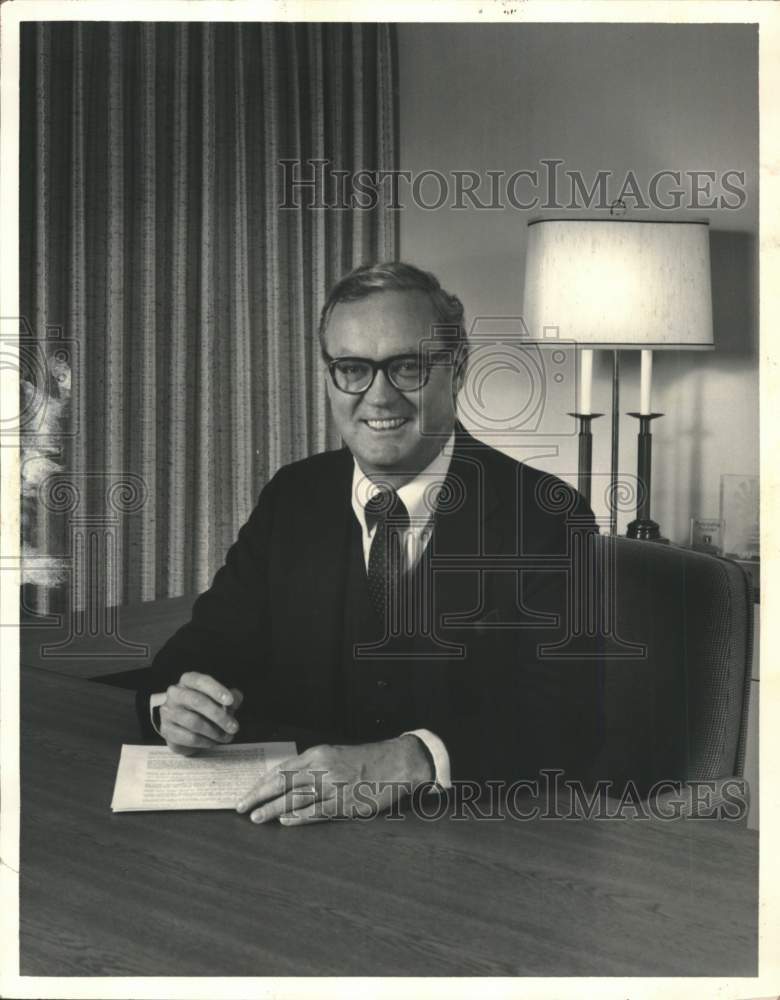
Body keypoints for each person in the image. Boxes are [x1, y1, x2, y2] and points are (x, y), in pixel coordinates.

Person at [136, 261, 603, 825]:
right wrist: (174, 709)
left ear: (456, 370)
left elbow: (569, 717)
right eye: (353, 368)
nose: (378, 397)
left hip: (468, 844)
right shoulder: (293, 495)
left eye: (407, 366)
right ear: (331, 376)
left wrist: (411, 759)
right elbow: (198, 653)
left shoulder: (546, 515)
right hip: (293, 840)